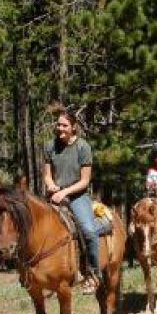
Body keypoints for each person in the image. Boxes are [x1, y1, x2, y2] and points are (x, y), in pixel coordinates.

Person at [43, 108, 101, 293]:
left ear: (73, 127)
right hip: (55, 194)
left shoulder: (83, 147)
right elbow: (46, 175)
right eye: (58, 124)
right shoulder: (49, 146)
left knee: (89, 231)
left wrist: (65, 192)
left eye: (64, 125)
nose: (60, 128)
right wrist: (51, 185)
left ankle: (93, 273)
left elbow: (84, 181)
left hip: (77, 195)